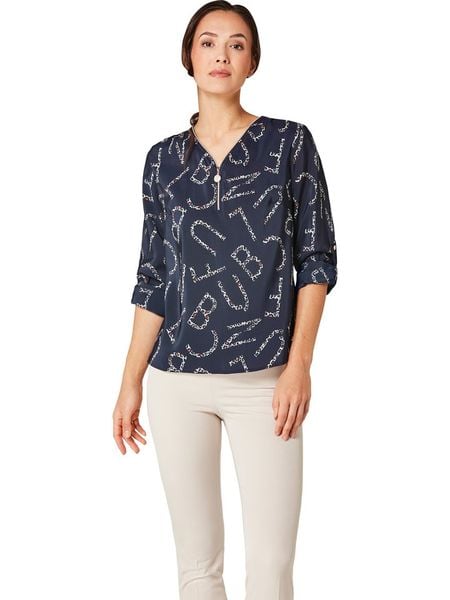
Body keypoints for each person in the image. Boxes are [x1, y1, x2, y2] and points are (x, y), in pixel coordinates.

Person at [112, 2, 338, 599]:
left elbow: (316, 261)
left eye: (236, 44)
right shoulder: (163, 160)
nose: (221, 55)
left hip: (265, 380)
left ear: (252, 61)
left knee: (271, 567)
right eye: (208, 43)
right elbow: (154, 276)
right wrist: (130, 381)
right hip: (175, 380)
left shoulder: (288, 144)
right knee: (197, 568)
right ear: (189, 57)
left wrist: (299, 366)